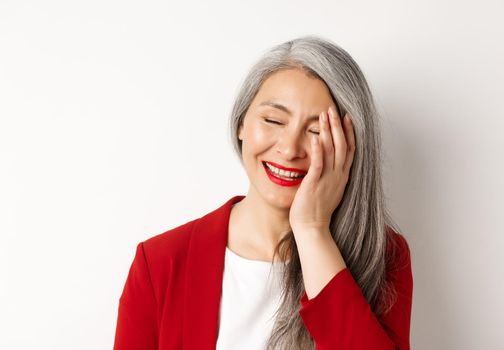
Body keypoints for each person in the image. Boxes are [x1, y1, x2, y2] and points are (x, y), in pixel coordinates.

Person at [113, 35, 413, 350]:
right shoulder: (160, 262)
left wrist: (312, 230)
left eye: (316, 131)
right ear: (242, 123)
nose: (289, 148)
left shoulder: (384, 257)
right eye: (273, 120)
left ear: (349, 147)